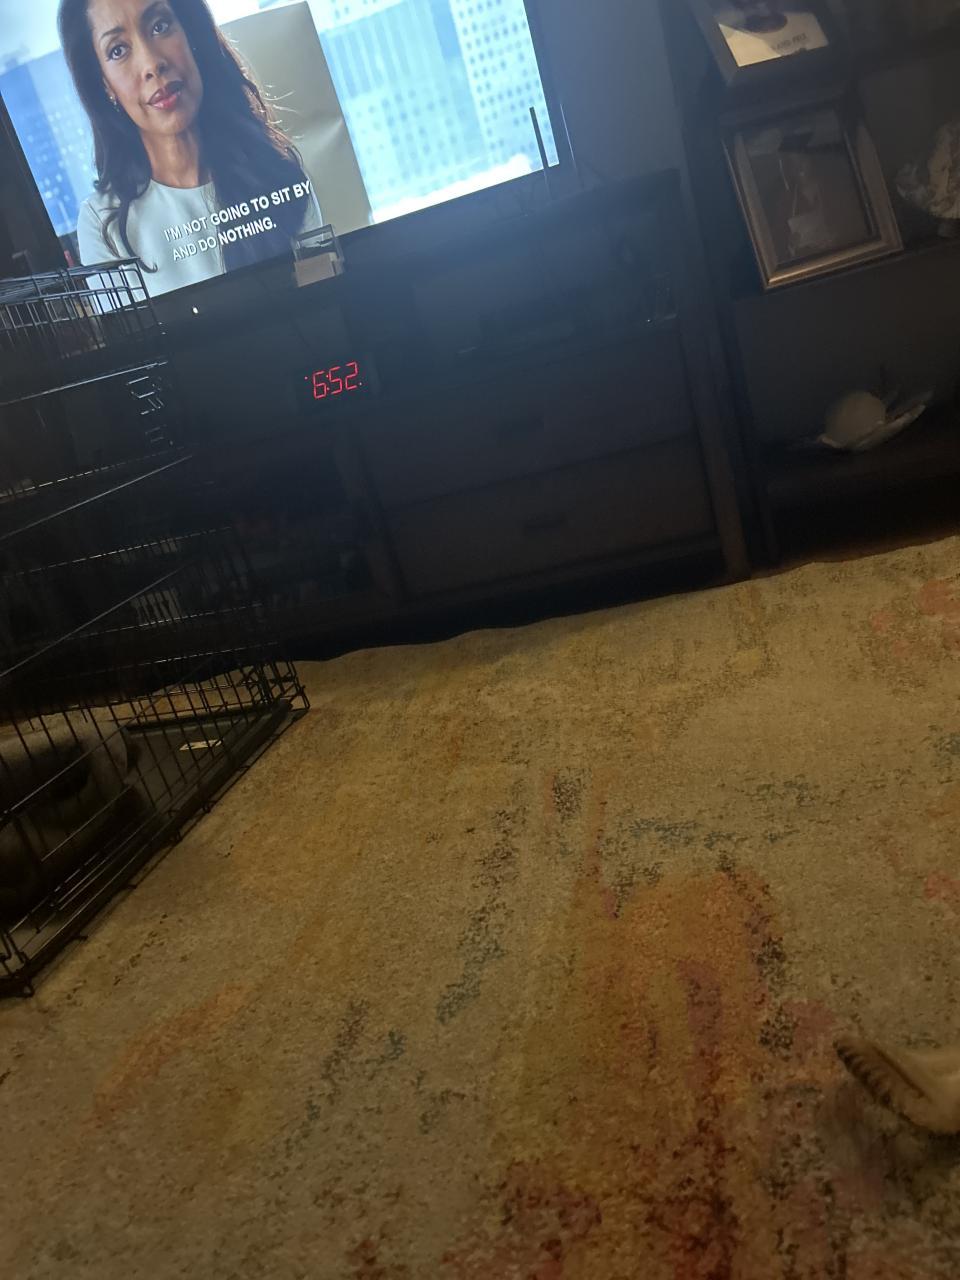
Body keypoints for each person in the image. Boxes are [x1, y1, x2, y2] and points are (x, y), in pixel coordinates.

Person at [58, 0, 325, 296]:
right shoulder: (102, 225)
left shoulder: (276, 171)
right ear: (104, 83)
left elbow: (326, 302)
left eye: (160, 26)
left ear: (190, 32)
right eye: (118, 50)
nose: (151, 64)